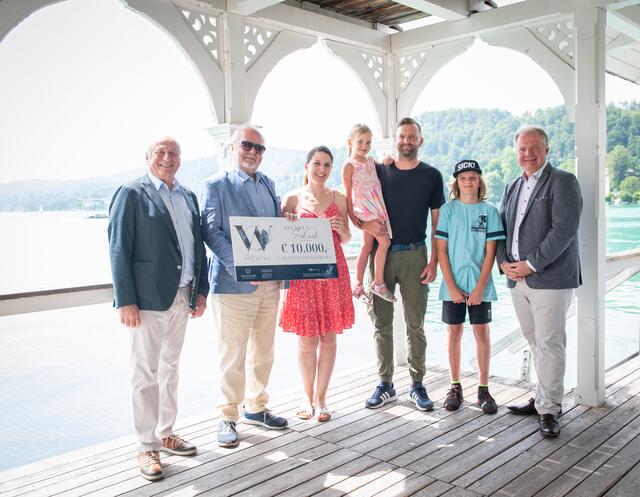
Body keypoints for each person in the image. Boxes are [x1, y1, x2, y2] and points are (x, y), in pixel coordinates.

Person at [108, 137, 209, 481]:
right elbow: (119, 248)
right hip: (148, 301)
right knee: (145, 372)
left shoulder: (187, 196)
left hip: (183, 297)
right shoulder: (132, 193)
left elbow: (197, 248)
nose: (168, 158)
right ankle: (146, 445)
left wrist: (201, 290)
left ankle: (166, 432)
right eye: (161, 153)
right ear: (148, 158)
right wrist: (126, 299)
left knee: (170, 367)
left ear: (181, 160)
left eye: (174, 154)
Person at [200, 125, 288, 448]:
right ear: (233, 147)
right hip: (233, 285)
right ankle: (227, 415)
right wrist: (240, 268)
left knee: (263, 351)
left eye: (259, 148)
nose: (253, 152)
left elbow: (274, 232)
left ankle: (257, 407)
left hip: (269, 286)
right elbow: (211, 232)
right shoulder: (216, 185)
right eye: (247, 145)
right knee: (232, 354)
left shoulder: (269, 184)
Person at [497, 125, 582, 437]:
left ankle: (550, 409)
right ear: (516, 151)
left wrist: (530, 265)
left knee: (550, 343)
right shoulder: (510, 186)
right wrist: (504, 263)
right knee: (534, 341)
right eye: (522, 149)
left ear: (547, 150)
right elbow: (502, 230)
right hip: (517, 279)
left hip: (551, 278)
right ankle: (541, 396)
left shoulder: (563, 181)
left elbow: (564, 230)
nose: (528, 154)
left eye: (534, 148)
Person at [361, 117, 446, 411]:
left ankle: (417, 384)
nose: (406, 141)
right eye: (402, 137)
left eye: (412, 137)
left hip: (416, 254)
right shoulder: (380, 170)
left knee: (415, 323)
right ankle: (385, 383)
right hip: (381, 255)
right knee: (381, 323)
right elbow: (358, 198)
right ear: (395, 141)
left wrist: (434, 260)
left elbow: (438, 224)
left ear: (420, 140)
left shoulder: (432, 176)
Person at [279, 146, 355, 422]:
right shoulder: (292, 198)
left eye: (327, 165)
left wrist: (340, 229)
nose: (322, 170)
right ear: (307, 166)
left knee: (329, 338)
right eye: (317, 164)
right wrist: (287, 221)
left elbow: (347, 237)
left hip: (334, 273)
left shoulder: (339, 197)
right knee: (306, 341)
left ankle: (322, 398)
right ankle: (306, 396)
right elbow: (280, 240)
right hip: (303, 277)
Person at [435, 160, 505, 414]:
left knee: (481, 332)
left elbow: (490, 253)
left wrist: (479, 288)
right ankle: (455, 386)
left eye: (473, 177)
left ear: (479, 181)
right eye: (463, 178)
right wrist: (452, 286)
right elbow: (441, 250)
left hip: (480, 284)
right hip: (453, 283)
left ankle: (483, 388)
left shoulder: (490, 211)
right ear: (456, 183)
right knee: (454, 332)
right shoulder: (448, 210)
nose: (468, 182)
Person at [342, 124, 395, 303]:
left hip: (376, 207)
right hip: (364, 210)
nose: (364, 146)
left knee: (366, 246)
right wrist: (352, 216)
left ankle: (357, 284)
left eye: (368, 142)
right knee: (385, 242)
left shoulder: (371, 161)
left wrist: (387, 159)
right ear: (350, 142)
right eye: (360, 142)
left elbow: (383, 164)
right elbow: (347, 194)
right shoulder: (349, 166)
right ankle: (378, 282)